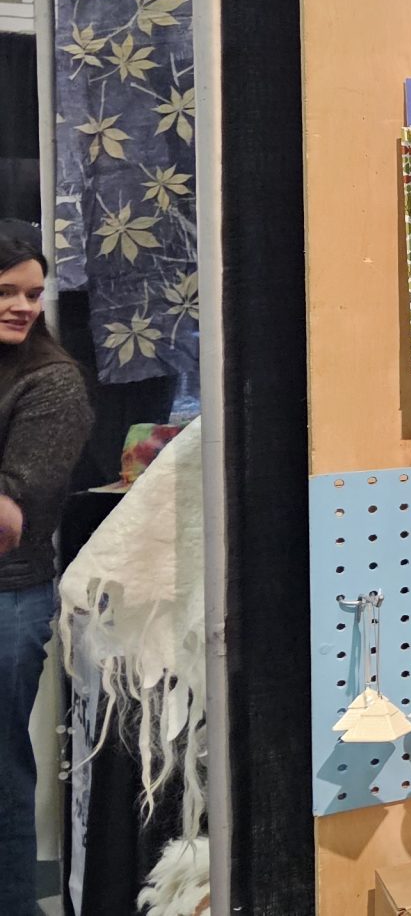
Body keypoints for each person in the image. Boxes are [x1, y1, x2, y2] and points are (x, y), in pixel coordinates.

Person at [0, 238, 91, 916]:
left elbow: (10, 517)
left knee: (1, 771)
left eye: (33, 293)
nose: (23, 306)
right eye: (6, 291)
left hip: (9, 599)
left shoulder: (52, 383)